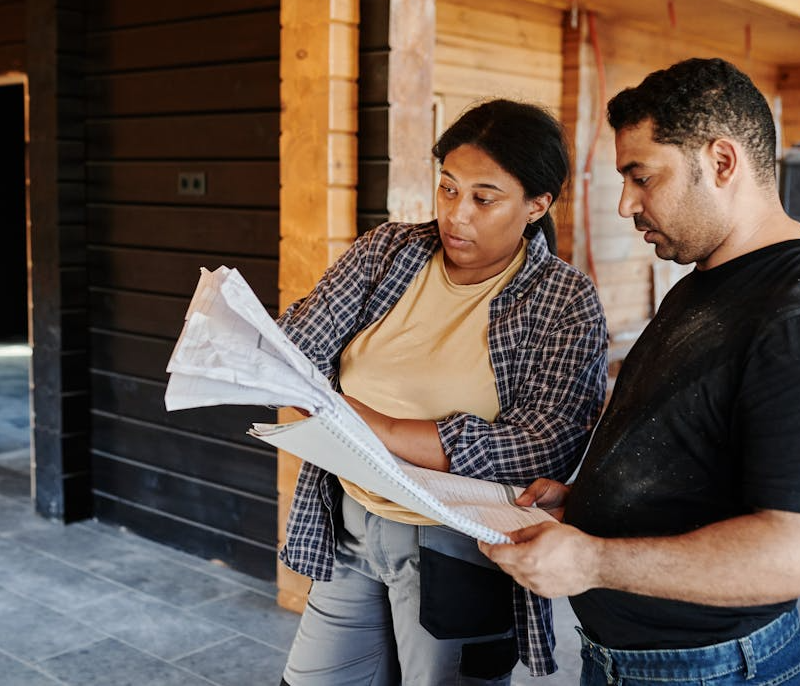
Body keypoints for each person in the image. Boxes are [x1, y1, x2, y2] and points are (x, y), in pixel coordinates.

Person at [480, 58, 800, 685]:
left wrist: (595, 560)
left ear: (722, 162)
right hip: (632, 657)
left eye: (642, 177)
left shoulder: (789, 312)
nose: (627, 204)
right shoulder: (704, 281)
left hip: (709, 668)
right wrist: (589, 505)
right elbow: (691, 451)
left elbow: (789, 553)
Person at [275, 99, 608, 685]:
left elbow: (542, 445)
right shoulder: (388, 251)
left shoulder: (565, 300)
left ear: (537, 205)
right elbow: (296, 349)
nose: (457, 215)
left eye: (484, 198)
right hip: (349, 517)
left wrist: (371, 424)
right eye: (448, 188)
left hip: (457, 546)